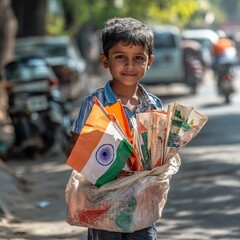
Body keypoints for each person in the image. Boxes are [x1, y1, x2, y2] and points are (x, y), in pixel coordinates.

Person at [65, 17, 163, 240]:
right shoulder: (94, 104)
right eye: (120, 57)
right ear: (105, 61)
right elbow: (73, 149)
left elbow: (161, 149)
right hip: (103, 205)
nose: (130, 65)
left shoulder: (154, 105)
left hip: (142, 205)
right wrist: (104, 163)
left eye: (138, 58)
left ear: (149, 62)